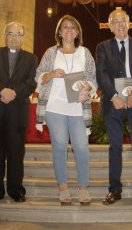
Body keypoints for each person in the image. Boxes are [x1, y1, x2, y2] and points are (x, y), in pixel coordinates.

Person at [35, 15, 97, 206]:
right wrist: (51, 74)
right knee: (60, 146)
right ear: (59, 32)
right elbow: (38, 76)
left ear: (77, 32)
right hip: (55, 106)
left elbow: (93, 79)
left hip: (78, 107)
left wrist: (87, 88)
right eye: (65, 27)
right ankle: (63, 187)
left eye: (73, 28)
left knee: (81, 148)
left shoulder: (85, 53)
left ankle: (83, 188)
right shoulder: (51, 53)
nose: (69, 30)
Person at [96, 9, 132, 205]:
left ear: (129, 24)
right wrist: (113, 96)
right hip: (114, 104)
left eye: (123, 21)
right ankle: (114, 190)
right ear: (110, 27)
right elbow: (101, 74)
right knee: (115, 148)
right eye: (116, 22)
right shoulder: (102, 47)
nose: (120, 25)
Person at [0, 22, 38, 203]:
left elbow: (31, 83)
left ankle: (16, 191)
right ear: (5, 35)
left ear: (23, 37)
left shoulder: (31, 58)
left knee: (16, 155)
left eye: (19, 34)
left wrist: (13, 92)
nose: (15, 38)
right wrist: (2, 91)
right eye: (11, 34)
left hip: (17, 113)